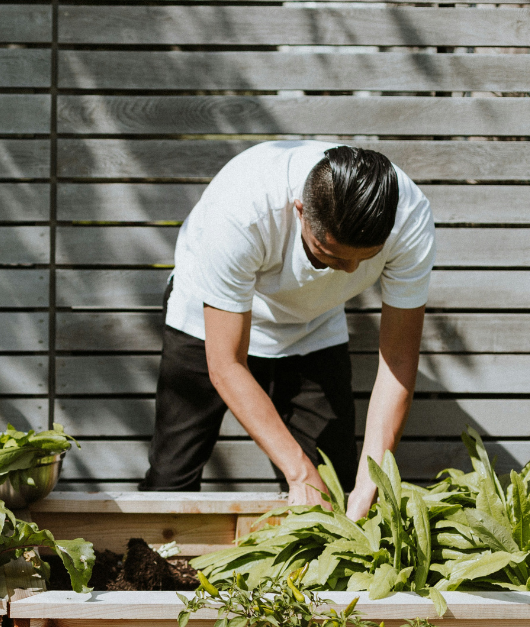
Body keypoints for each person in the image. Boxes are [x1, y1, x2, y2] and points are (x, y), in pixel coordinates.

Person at [140, 141, 434, 520]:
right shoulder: (241, 210)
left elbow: (397, 359)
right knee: (171, 479)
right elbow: (226, 364)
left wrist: (370, 482)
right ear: (300, 212)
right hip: (207, 321)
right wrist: (298, 472)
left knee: (333, 485)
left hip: (313, 325)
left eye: (365, 259)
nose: (348, 272)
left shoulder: (409, 218)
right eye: (329, 255)